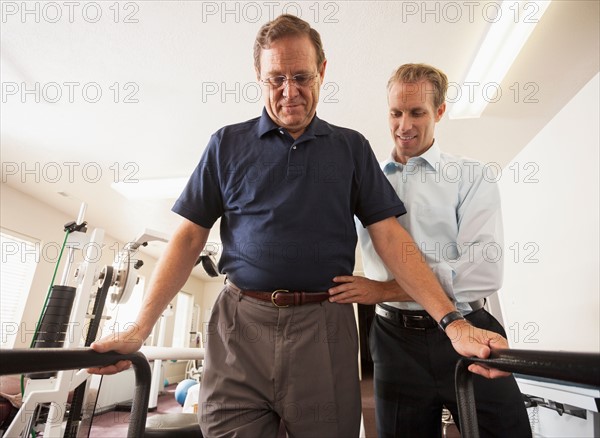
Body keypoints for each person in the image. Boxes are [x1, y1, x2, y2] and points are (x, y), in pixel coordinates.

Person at [89, 19, 508, 438]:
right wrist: (139, 329)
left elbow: (391, 237)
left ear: (322, 71)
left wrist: (452, 323)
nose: (289, 91)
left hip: (323, 330)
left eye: (302, 76)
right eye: (276, 78)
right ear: (259, 77)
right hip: (240, 330)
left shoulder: (351, 149)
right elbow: (188, 236)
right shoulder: (226, 145)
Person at [329, 63, 532, 437]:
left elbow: (482, 273)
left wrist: (380, 290)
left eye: (417, 112)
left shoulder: (471, 176)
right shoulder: (364, 181)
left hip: (467, 326)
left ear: (439, 112)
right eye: (395, 112)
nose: (404, 125)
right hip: (393, 343)